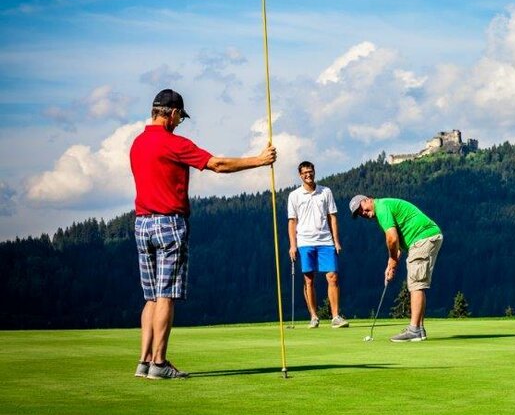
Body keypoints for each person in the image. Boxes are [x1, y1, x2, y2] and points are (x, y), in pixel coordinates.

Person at [130, 88, 277, 379]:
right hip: (169, 224)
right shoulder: (173, 143)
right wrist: (259, 160)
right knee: (165, 295)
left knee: (150, 297)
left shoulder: (137, 143)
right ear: (171, 114)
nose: (179, 122)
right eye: (179, 117)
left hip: (141, 224)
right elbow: (217, 165)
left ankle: (144, 361)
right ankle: (159, 363)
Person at [349, 195, 442, 342]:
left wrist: (392, 261)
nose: (363, 213)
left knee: (416, 284)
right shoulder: (383, 207)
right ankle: (419, 328)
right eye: (359, 214)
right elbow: (397, 242)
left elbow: (392, 239)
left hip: (422, 237)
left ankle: (414, 330)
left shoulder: (382, 208)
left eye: (362, 209)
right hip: (426, 237)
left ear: (368, 199)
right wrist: (391, 265)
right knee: (417, 284)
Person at [287, 161, 348, 329]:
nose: (308, 175)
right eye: (305, 172)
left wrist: (336, 240)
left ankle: (335, 316)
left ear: (314, 172)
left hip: (325, 240)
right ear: (300, 175)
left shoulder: (325, 192)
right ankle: (313, 316)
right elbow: (292, 222)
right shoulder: (294, 195)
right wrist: (293, 245)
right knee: (309, 280)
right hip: (305, 242)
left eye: (310, 171)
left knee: (332, 277)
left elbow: (332, 217)